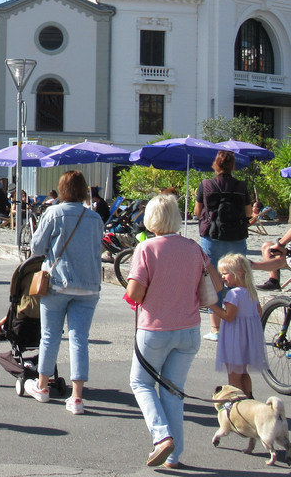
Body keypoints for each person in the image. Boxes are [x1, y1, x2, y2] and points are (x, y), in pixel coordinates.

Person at [126, 193, 219, 468]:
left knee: (141, 382)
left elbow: (135, 293)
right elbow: (217, 285)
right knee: (173, 391)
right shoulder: (193, 247)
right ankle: (174, 456)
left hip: (155, 328)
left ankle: (161, 436)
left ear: (151, 219)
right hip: (189, 329)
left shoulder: (146, 249)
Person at [25, 170, 103, 415]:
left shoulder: (54, 213)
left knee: (49, 336)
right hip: (88, 285)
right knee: (79, 339)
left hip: (58, 282)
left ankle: (42, 386)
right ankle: (77, 397)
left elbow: (36, 246)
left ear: (61, 189)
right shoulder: (94, 217)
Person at [195, 149, 250, 341]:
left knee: (214, 281)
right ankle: (240, 324)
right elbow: (249, 212)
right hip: (237, 236)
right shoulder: (241, 186)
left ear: (215, 165)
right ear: (233, 166)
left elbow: (197, 211)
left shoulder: (206, 184)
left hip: (212, 236)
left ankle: (216, 329)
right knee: (239, 279)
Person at [211, 252, 266, 397]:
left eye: (225, 273)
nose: (222, 277)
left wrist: (211, 305)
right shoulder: (251, 292)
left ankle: (238, 403)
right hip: (247, 339)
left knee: (234, 375)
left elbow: (228, 316)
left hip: (234, 339)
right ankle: (249, 396)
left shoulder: (233, 294)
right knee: (243, 372)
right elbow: (259, 313)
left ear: (239, 273)